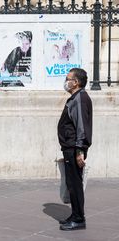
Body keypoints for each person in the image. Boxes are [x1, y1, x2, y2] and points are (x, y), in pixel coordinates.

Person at [57, 68, 92, 231]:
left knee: (75, 184)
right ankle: (75, 214)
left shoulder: (80, 99)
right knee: (72, 183)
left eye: (68, 78)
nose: (66, 81)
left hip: (74, 148)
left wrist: (79, 151)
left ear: (76, 82)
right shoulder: (75, 98)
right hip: (69, 148)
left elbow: (82, 128)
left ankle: (79, 219)